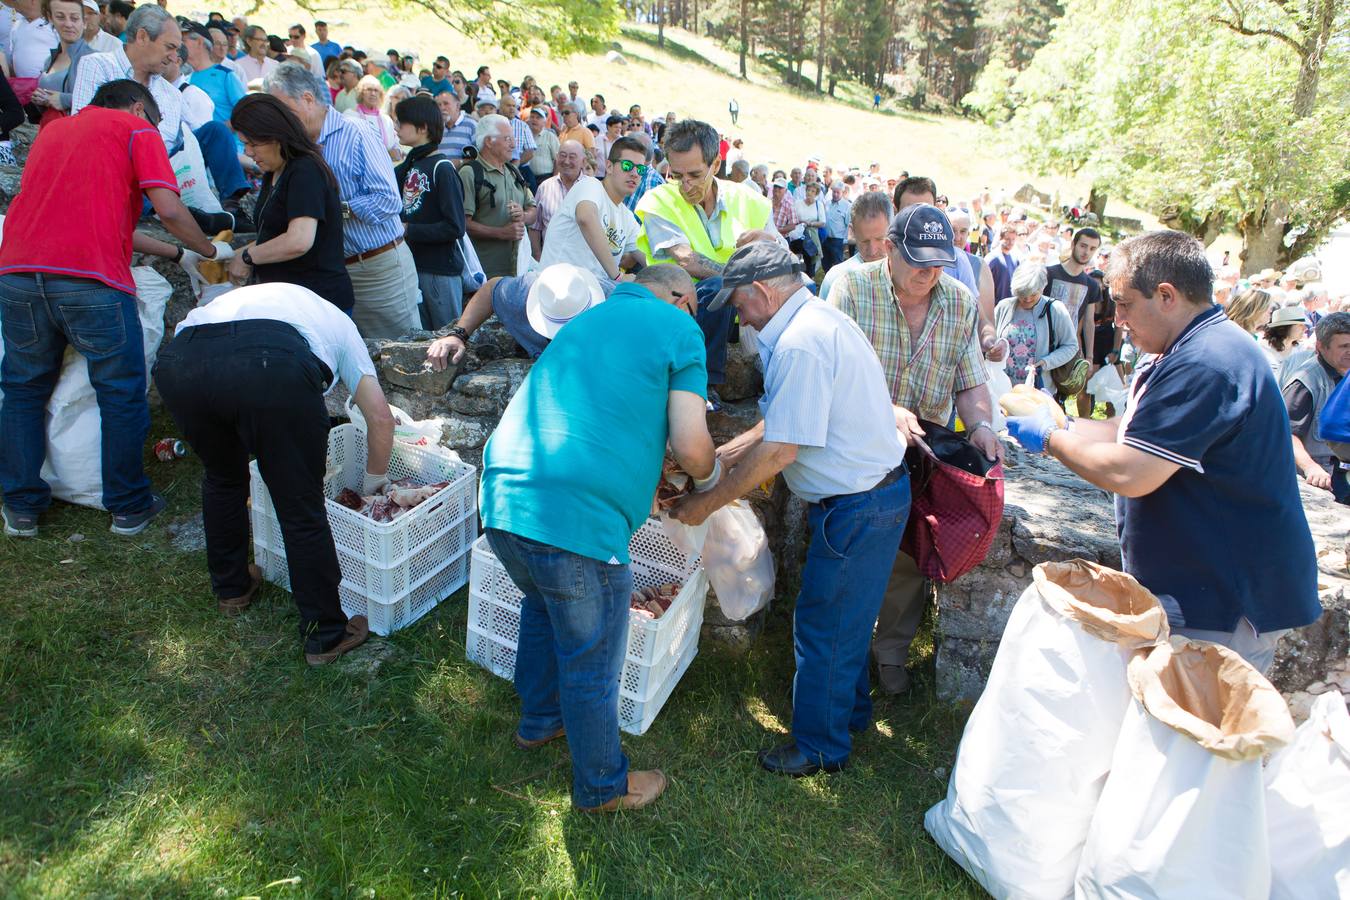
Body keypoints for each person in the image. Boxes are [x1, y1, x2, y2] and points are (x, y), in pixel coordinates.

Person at [1006, 230, 1321, 674]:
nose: (1117, 318)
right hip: (1203, 585)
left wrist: (1050, 440)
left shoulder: (1206, 362)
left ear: (1167, 295)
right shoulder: (1189, 348)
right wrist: (1067, 422)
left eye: (1125, 303)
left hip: (1227, 596)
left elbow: (1131, 472)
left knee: (1197, 731)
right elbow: (1131, 430)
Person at [478, 262, 715, 813]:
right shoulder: (679, 327)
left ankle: (539, 720)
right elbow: (690, 442)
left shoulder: (585, 319)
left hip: (504, 497)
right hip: (577, 517)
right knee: (594, 658)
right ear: (680, 297)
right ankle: (603, 787)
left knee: (542, 605)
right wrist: (710, 479)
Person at [671, 240, 909, 776]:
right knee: (844, 619)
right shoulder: (810, 322)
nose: (735, 314)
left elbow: (782, 449)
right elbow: (788, 416)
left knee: (825, 624)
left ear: (762, 291)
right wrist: (729, 453)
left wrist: (708, 502)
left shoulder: (802, 342)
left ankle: (820, 747)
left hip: (859, 504)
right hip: (867, 497)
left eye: (737, 302)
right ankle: (847, 714)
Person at [0, 79, 229, 539]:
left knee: (23, 389)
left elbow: (107, 227)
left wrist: (174, 254)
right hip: (91, 283)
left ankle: (20, 507)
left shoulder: (53, 131)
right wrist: (206, 250)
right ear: (138, 108)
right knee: (120, 392)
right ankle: (127, 505)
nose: (156, 133)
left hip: (18, 272)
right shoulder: (136, 129)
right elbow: (168, 209)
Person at [153, 283, 393, 663]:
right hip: (270, 365)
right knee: (299, 504)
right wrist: (375, 484)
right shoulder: (342, 326)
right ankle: (325, 634)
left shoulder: (263, 299)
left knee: (222, 475)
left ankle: (232, 588)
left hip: (182, 362)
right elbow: (380, 418)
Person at [827, 204, 998, 695]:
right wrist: (887, 409)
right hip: (856, 444)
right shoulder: (853, 287)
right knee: (848, 550)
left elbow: (969, 378)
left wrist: (981, 424)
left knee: (908, 555)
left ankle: (892, 652)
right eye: (919, 259)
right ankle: (846, 656)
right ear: (889, 248)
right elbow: (832, 370)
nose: (929, 272)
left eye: (939, 261)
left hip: (923, 450)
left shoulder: (960, 300)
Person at [266, 62, 421, 339]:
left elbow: (388, 201)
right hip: (332, 273)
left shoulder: (356, 133)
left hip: (376, 268)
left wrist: (335, 210)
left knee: (398, 357)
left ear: (308, 99)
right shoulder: (296, 147)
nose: (280, 120)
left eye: (284, 111)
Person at [70, 4, 253, 231]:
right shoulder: (98, 65)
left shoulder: (171, 93)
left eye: (178, 49)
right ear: (143, 36)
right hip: (116, 164)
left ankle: (231, 206)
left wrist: (254, 161)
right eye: (170, 47)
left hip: (166, 168)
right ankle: (165, 213)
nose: (175, 57)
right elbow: (81, 128)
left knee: (215, 131)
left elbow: (194, 139)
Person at [634, 118, 771, 409]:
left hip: (741, 310)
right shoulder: (658, 201)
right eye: (677, 175)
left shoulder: (749, 200)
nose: (685, 185)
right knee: (720, 287)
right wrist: (740, 281)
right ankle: (705, 383)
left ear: (716, 165)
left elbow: (775, 251)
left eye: (695, 175)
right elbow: (687, 260)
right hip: (683, 310)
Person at [224, 93, 354, 312]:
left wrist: (247, 257)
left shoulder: (305, 170)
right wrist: (234, 254)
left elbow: (298, 240)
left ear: (275, 136)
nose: (248, 152)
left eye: (252, 144)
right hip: (289, 300)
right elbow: (274, 235)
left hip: (316, 302)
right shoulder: (274, 172)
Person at [393, 94, 466, 329]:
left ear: (422, 127)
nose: (396, 127)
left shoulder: (441, 168)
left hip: (439, 270)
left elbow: (455, 226)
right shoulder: (410, 165)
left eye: (401, 122)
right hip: (413, 266)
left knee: (446, 338)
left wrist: (409, 230)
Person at [538, 136, 646, 292]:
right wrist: (617, 277)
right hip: (557, 291)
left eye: (641, 169)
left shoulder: (627, 217)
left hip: (591, 295)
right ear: (609, 167)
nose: (635, 173)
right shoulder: (590, 185)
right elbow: (586, 217)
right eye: (627, 165)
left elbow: (649, 258)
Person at [1283, 312, 1350, 503]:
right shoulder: (1306, 381)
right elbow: (1287, 432)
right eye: (1344, 346)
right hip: (1320, 479)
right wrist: (1310, 467)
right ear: (1321, 346)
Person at [458, 113, 536, 278]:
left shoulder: (514, 172)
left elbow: (533, 210)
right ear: (489, 141)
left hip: (517, 270)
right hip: (485, 273)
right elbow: (463, 224)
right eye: (507, 139)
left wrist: (524, 215)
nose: (514, 145)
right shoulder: (470, 173)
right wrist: (501, 233)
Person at [1045, 227, 1102, 415]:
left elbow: (1088, 323)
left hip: (1069, 348)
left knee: (1058, 402)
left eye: (1092, 248)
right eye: (1083, 245)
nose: (1086, 252)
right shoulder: (1049, 273)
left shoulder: (1092, 285)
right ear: (1073, 244)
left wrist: (1090, 357)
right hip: (1043, 344)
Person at [994, 263, 1079, 387]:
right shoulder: (1003, 307)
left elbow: (1071, 346)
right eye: (1022, 294)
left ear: (1043, 288)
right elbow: (989, 339)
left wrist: (1046, 362)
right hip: (1003, 388)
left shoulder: (1056, 309)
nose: (1027, 299)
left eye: (1033, 294)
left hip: (1039, 388)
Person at [26, 0, 94, 127]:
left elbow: (103, 102)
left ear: (84, 22)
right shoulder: (49, 60)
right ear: (50, 19)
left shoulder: (94, 59)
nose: (68, 24)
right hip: (50, 132)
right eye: (60, 17)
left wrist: (63, 99)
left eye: (74, 18)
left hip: (78, 134)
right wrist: (39, 100)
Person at [819, 191, 891, 300]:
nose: (872, 251)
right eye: (865, 241)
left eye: (880, 239)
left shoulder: (907, 274)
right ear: (852, 231)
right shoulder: (836, 278)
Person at [528, 138, 583, 258]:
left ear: (583, 161)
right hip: (551, 259)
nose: (566, 161)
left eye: (572, 157)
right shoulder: (545, 187)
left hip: (583, 260)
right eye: (563, 156)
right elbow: (535, 227)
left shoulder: (592, 187)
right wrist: (537, 255)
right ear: (556, 157)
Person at [183, 19, 242, 125]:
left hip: (227, 140)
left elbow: (246, 111)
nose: (179, 45)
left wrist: (220, 131)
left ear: (199, 42)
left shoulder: (226, 75)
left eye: (183, 40)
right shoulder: (185, 79)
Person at [344, 74, 400, 162]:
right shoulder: (350, 115)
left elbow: (394, 144)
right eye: (369, 90)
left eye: (376, 90)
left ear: (380, 94)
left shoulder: (386, 119)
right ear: (361, 93)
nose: (373, 93)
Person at [1260, 305, 1307, 377]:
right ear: (1285, 327)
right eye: (1300, 325)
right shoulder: (1263, 348)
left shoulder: (1300, 350)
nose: (1305, 328)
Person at [796, 181, 826, 279]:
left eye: (813, 191)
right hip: (798, 234)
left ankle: (811, 278)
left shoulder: (819, 205)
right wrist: (801, 222)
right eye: (808, 190)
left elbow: (823, 223)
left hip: (812, 234)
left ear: (816, 194)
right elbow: (793, 218)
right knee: (799, 258)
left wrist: (810, 224)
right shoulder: (798, 203)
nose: (810, 193)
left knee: (812, 258)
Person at [435, 89, 473, 162]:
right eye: (439, 105)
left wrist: (460, 162)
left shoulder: (471, 125)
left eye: (446, 103)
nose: (442, 108)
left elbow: (479, 155)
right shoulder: (436, 128)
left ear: (458, 106)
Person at [821, 181, 851, 273]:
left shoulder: (847, 206)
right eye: (834, 192)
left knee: (838, 264)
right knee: (825, 263)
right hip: (825, 238)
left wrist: (845, 240)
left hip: (837, 239)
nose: (836, 194)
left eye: (838, 192)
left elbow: (848, 223)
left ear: (842, 192)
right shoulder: (827, 204)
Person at [986, 225, 1019, 304]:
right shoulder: (992, 259)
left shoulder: (1015, 259)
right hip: (994, 307)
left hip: (1010, 306)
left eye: (1013, 239)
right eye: (1007, 239)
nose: (1010, 242)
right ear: (1000, 238)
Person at [525, 105, 558, 180]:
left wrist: (555, 179)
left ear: (544, 122)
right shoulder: (525, 136)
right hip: (528, 177)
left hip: (546, 177)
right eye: (532, 117)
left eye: (538, 118)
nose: (534, 120)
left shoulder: (550, 136)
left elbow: (558, 160)